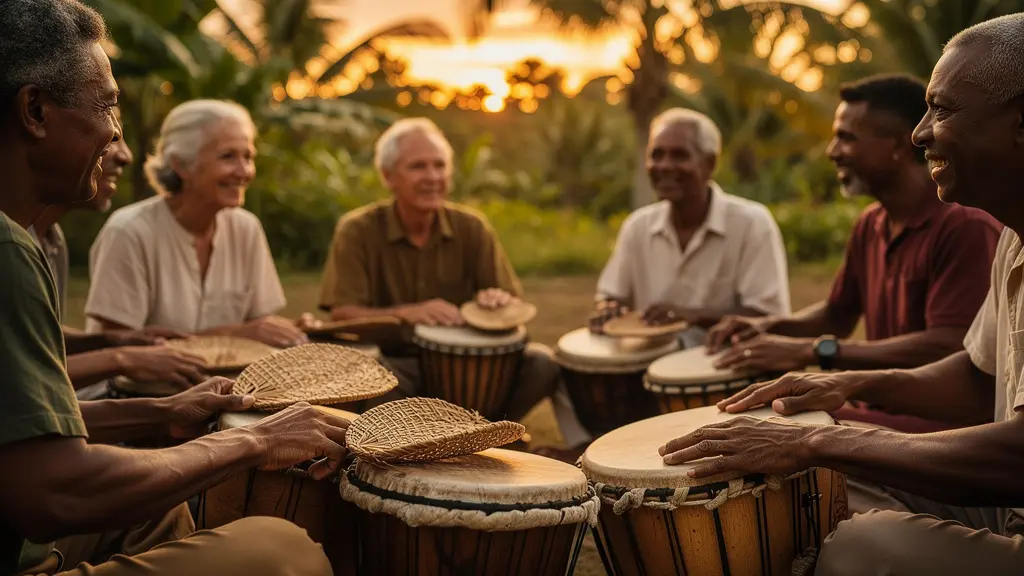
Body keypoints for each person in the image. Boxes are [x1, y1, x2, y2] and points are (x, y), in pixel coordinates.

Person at [659, 15, 1024, 573]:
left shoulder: (971, 229)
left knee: (853, 540)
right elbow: (979, 378)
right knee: (813, 482)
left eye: (943, 111)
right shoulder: (1012, 240)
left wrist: (823, 430)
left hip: (989, 470)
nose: (921, 132)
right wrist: (839, 383)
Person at [0, 2, 345, 575]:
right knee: (286, 549)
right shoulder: (12, 251)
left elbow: (22, 444)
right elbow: (53, 492)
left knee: (159, 517)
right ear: (34, 110)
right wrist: (254, 441)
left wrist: (161, 412)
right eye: (107, 105)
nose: (117, 136)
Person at [706, 74, 1001, 433]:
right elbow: (837, 314)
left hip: (936, 432)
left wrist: (814, 352)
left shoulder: (964, 226)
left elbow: (948, 343)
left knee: (774, 425)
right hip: (876, 413)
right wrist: (767, 327)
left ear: (897, 145)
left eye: (846, 138)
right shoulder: (870, 224)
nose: (832, 151)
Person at [537, 108, 793, 461]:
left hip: (716, 363)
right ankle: (592, 445)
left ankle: (611, 451)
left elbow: (769, 315)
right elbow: (611, 295)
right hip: (645, 357)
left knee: (674, 349)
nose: (664, 165)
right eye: (657, 154)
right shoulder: (638, 226)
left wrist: (691, 316)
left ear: (709, 164)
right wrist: (607, 310)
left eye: (679, 155)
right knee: (568, 363)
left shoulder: (751, 223)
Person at [318, 117, 559, 422]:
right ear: (388, 176)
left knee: (542, 363)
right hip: (397, 364)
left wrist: (497, 304)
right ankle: (412, 441)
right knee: (377, 375)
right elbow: (341, 315)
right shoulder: (357, 230)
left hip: (469, 368)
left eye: (439, 165)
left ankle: (488, 434)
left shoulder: (472, 227)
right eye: (418, 166)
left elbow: (513, 304)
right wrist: (406, 313)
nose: (432, 176)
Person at [83, 99, 318, 349]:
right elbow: (121, 347)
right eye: (228, 157)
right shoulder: (129, 231)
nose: (244, 171)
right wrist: (238, 334)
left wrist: (286, 330)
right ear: (182, 165)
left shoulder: (246, 229)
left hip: (226, 385)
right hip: (134, 388)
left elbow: (257, 325)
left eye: (248, 157)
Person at [27, 106, 207, 398]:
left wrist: (112, 340)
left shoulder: (51, 239)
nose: (125, 155)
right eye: (111, 138)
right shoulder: (12, 244)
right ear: (34, 116)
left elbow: (36, 338)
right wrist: (122, 357)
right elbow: (20, 380)